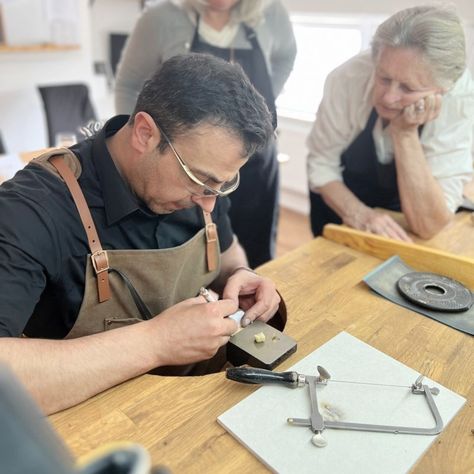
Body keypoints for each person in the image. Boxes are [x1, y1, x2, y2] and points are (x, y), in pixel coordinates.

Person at [0, 54, 282, 415]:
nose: (208, 203)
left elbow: (228, 253)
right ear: (145, 133)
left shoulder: (205, 179)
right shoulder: (32, 209)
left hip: (195, 409)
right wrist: (155, 342)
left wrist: (243, 275)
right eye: (200, 180)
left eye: (222, 185)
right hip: (98, 427)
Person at [115, 0, 297, 268]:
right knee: (191, 252)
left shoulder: (271, 13)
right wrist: (141, 142)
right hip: (186, 164)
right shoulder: (159, 19)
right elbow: (128, 85)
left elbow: (286, 57)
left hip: (255, 161)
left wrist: (260, 105)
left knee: (254, 248)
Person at [307, 5, 474, 240]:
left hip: (405, 221)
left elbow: (430, 225)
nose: (388, 97)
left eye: (408, 88)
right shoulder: (347, 78)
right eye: (383, 78)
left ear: (443, 89)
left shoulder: (461, 99)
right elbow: (321, 164)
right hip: (341, 205)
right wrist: (359, 214)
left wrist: (404, 133)